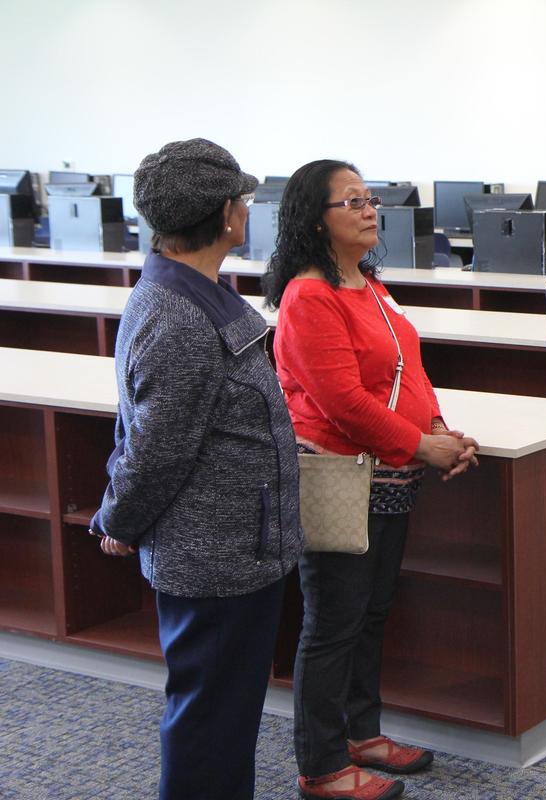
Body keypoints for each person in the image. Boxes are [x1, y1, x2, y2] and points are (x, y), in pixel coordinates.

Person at [90, 138, 302, 800]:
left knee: (224, 718)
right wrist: (118, 518)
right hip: (213, 558)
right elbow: (155, 446)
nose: (246, 212)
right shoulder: (181, 317)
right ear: (228, 215)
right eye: (242, 201)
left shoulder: (197, 294)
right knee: (209, 722)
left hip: (237, 550)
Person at [265, 160, 479, 800]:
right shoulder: (309, 296)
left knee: (371, 613)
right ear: (315, 218)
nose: (369, 209)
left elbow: (406, 370)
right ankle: (323, 766)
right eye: (351, 201)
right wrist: (424, 446)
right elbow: (343, 404)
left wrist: (439, 427)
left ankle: (362, 733)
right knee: (333, 622)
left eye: (370, 198)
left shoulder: (368, 285)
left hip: (387, 478)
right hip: (340, 477)